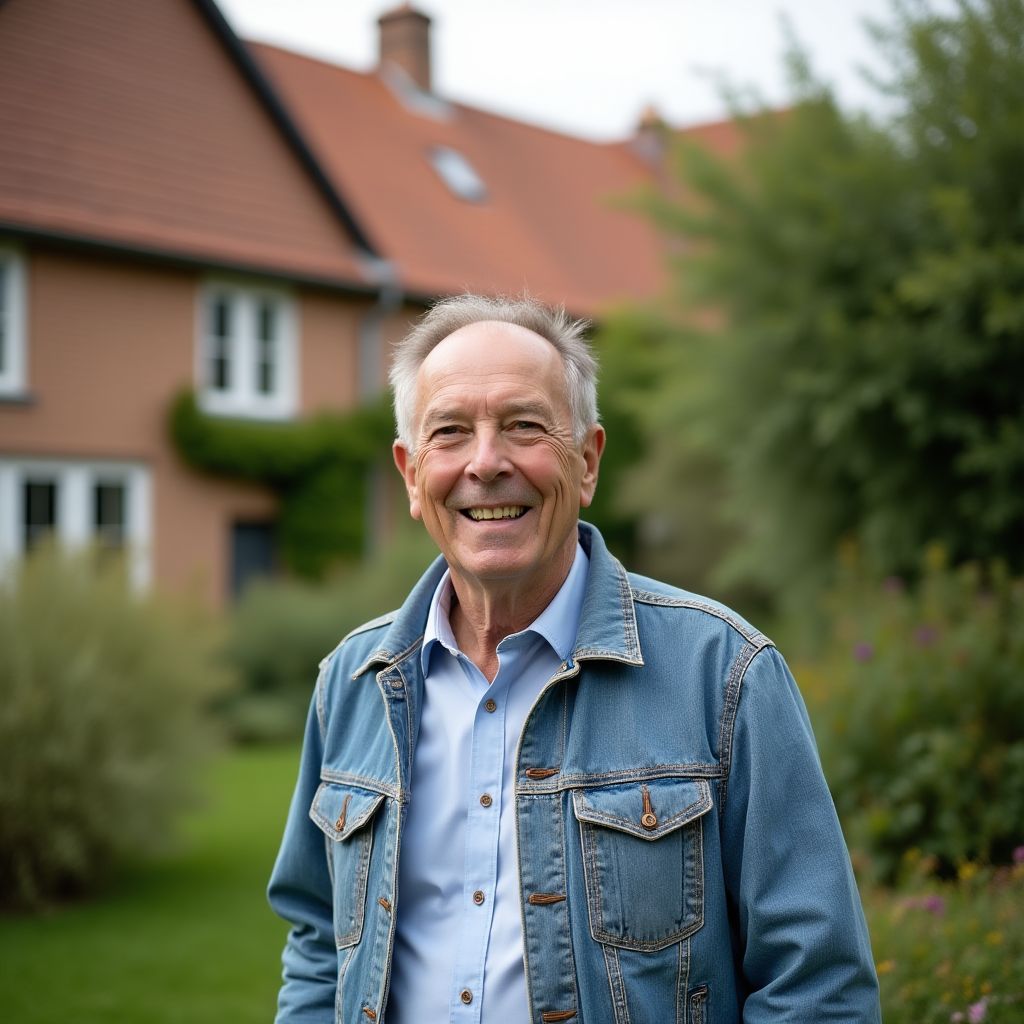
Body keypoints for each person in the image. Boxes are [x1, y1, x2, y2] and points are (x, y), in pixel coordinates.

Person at [268, 294, 881, 1023]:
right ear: (409, 474)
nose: (487, 463)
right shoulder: (353, 680)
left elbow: (818, 986)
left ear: (586, 461)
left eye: (524, 426)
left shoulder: (725, 673)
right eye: (451, 432)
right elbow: (318, 945)